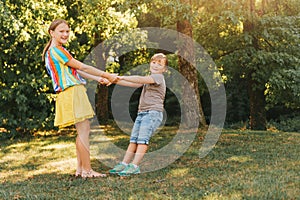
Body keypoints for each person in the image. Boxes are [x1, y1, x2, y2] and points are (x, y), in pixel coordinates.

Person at [42, 19, 115, 178]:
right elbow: (83, 66)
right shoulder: (57, 50)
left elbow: (77, 71)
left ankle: (81, 169)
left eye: (67, 31)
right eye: (61, 31)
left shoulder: (53, 51)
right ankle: (87, 171)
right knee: (84, 131)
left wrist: (98, 79)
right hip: (72, 91)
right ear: (51, 33)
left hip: (69, 92)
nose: (65, 34)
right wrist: (106, 75)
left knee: (82, 130)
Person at [109, 53, 168, 176]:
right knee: (133, 140)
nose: (156, 65)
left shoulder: (158, 77)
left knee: (142, 140)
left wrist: (119, 76)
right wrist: (114, 80)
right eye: (154, 62)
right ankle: (124, 164)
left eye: (159, 64)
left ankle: (135, 166)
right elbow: (132, 83)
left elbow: (139, 79)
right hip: (142, 113)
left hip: (153, 113)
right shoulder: (149, 79)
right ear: (150, 64)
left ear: (164, 69)